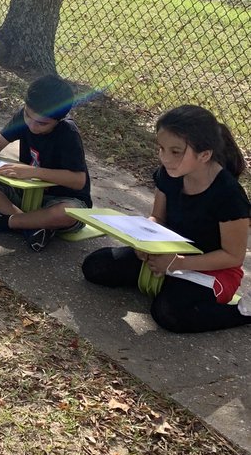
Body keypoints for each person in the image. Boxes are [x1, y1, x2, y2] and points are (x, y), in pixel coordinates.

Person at [82, 106, 250, 333]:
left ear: (204, 155)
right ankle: (170, 285)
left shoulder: (229, 196)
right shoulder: (169, 174)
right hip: (165, 255)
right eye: (161, 148)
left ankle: (243, 311)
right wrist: (143, 242)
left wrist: (178, 263)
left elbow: (233, 257)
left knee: (169, 313)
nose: (165, 157)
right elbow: (158, 217)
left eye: (175, 151)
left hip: (212, 270)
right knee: (95, 266)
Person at [0, 74, 91, 252]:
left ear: (59, 120)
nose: (32, 126)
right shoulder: (24, 116)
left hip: (61, 199)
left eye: (42, 124)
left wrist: (33, 171)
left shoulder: (68, 132)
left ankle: (1, 221)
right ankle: (32, 227)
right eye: (27, 115)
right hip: (25, 192)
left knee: (66, 213)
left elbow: (78, 180)